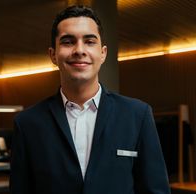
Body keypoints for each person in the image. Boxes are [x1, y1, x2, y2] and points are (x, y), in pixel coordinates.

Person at [10, 5, 170, 194]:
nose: (79, 50)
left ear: (103, 53)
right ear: (53, 55)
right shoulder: (27, 123)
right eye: (68, 42)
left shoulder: (137, 115)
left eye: (89, 41)